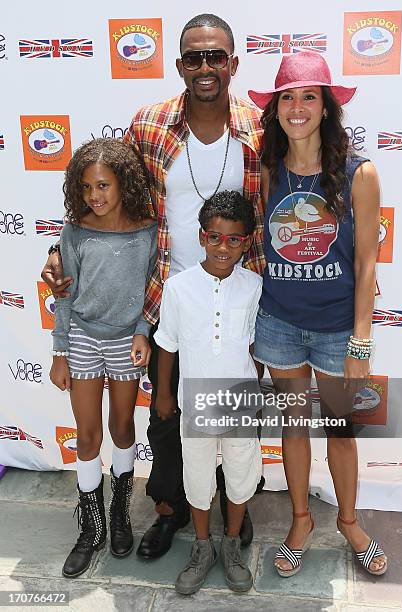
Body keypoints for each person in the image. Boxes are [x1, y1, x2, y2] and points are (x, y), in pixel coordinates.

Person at [42, 14, 264, 559]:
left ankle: (236, 509)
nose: (206, 67)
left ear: (232, 63)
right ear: (180, 65)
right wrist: (58, 248)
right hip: (165, 295)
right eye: (194, 57)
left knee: (229, 407)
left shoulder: (259, 128)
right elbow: (108, 192)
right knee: (165, 414)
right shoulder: (149, 124)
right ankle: (169, 511)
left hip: (238, 294)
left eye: (216, 57)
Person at [248, 51, 388, 576]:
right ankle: (302, 519)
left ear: (326, 106)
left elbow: (367, 259)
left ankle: (349, 522)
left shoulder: (360, 173)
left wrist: (360, 340)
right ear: (277, 108)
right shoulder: (266, 169)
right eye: (288, 97)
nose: (298, 107)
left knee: (342, 431)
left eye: (309, 96)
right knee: (294, 427)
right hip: (279, 321)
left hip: (336, 331)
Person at [49, 138, 156, 578]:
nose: (96, 196)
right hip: (82, 339)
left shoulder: (148, 230)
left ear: (124, 184)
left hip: (126, 341)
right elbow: (64, 295)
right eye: (87, 187)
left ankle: (119, 513)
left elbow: (153, 288)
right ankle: (90, 526)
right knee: (88, 434)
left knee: (123, 426)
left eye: (104, 186)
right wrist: (59, 350)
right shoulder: (73, 232)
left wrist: (143, 333)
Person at [154, 191, 262, 594]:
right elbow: (167, 344)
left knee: (239, 477)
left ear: (246, 242)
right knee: (198, 479)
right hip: (195, 400)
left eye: (234, 239)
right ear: (201, 237)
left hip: (239, 400)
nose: (223, 246)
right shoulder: (179, 287)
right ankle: (203, 547)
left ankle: (231, 544)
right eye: (215, 237)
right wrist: (164, 395)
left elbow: (254, 347)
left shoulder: (254, 286)